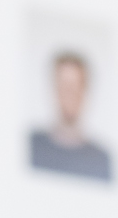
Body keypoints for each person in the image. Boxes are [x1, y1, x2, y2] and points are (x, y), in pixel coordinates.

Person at [28, 52, 112, 183]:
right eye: (64, 86)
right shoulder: (30, 146)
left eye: (76, 87)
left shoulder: (102, 161)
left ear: (85, 91)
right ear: (54, 89)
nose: (70, 95)